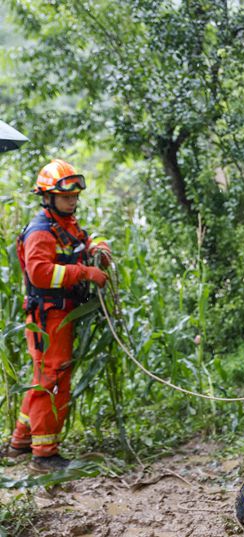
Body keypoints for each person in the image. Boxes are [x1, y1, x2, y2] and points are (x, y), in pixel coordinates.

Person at [2, 159, 110, 472]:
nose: (73, 201)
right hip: (48, 319)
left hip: (61, 317)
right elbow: (39, 273)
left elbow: (83, 239)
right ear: (48, 197)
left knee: (44, 379)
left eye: (75, 197)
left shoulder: (65, 224)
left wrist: (99, 246)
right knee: (50, 382)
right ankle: (44, 454)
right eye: (66, 197)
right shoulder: (41, 232)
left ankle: (20, 442)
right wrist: (85, 272)